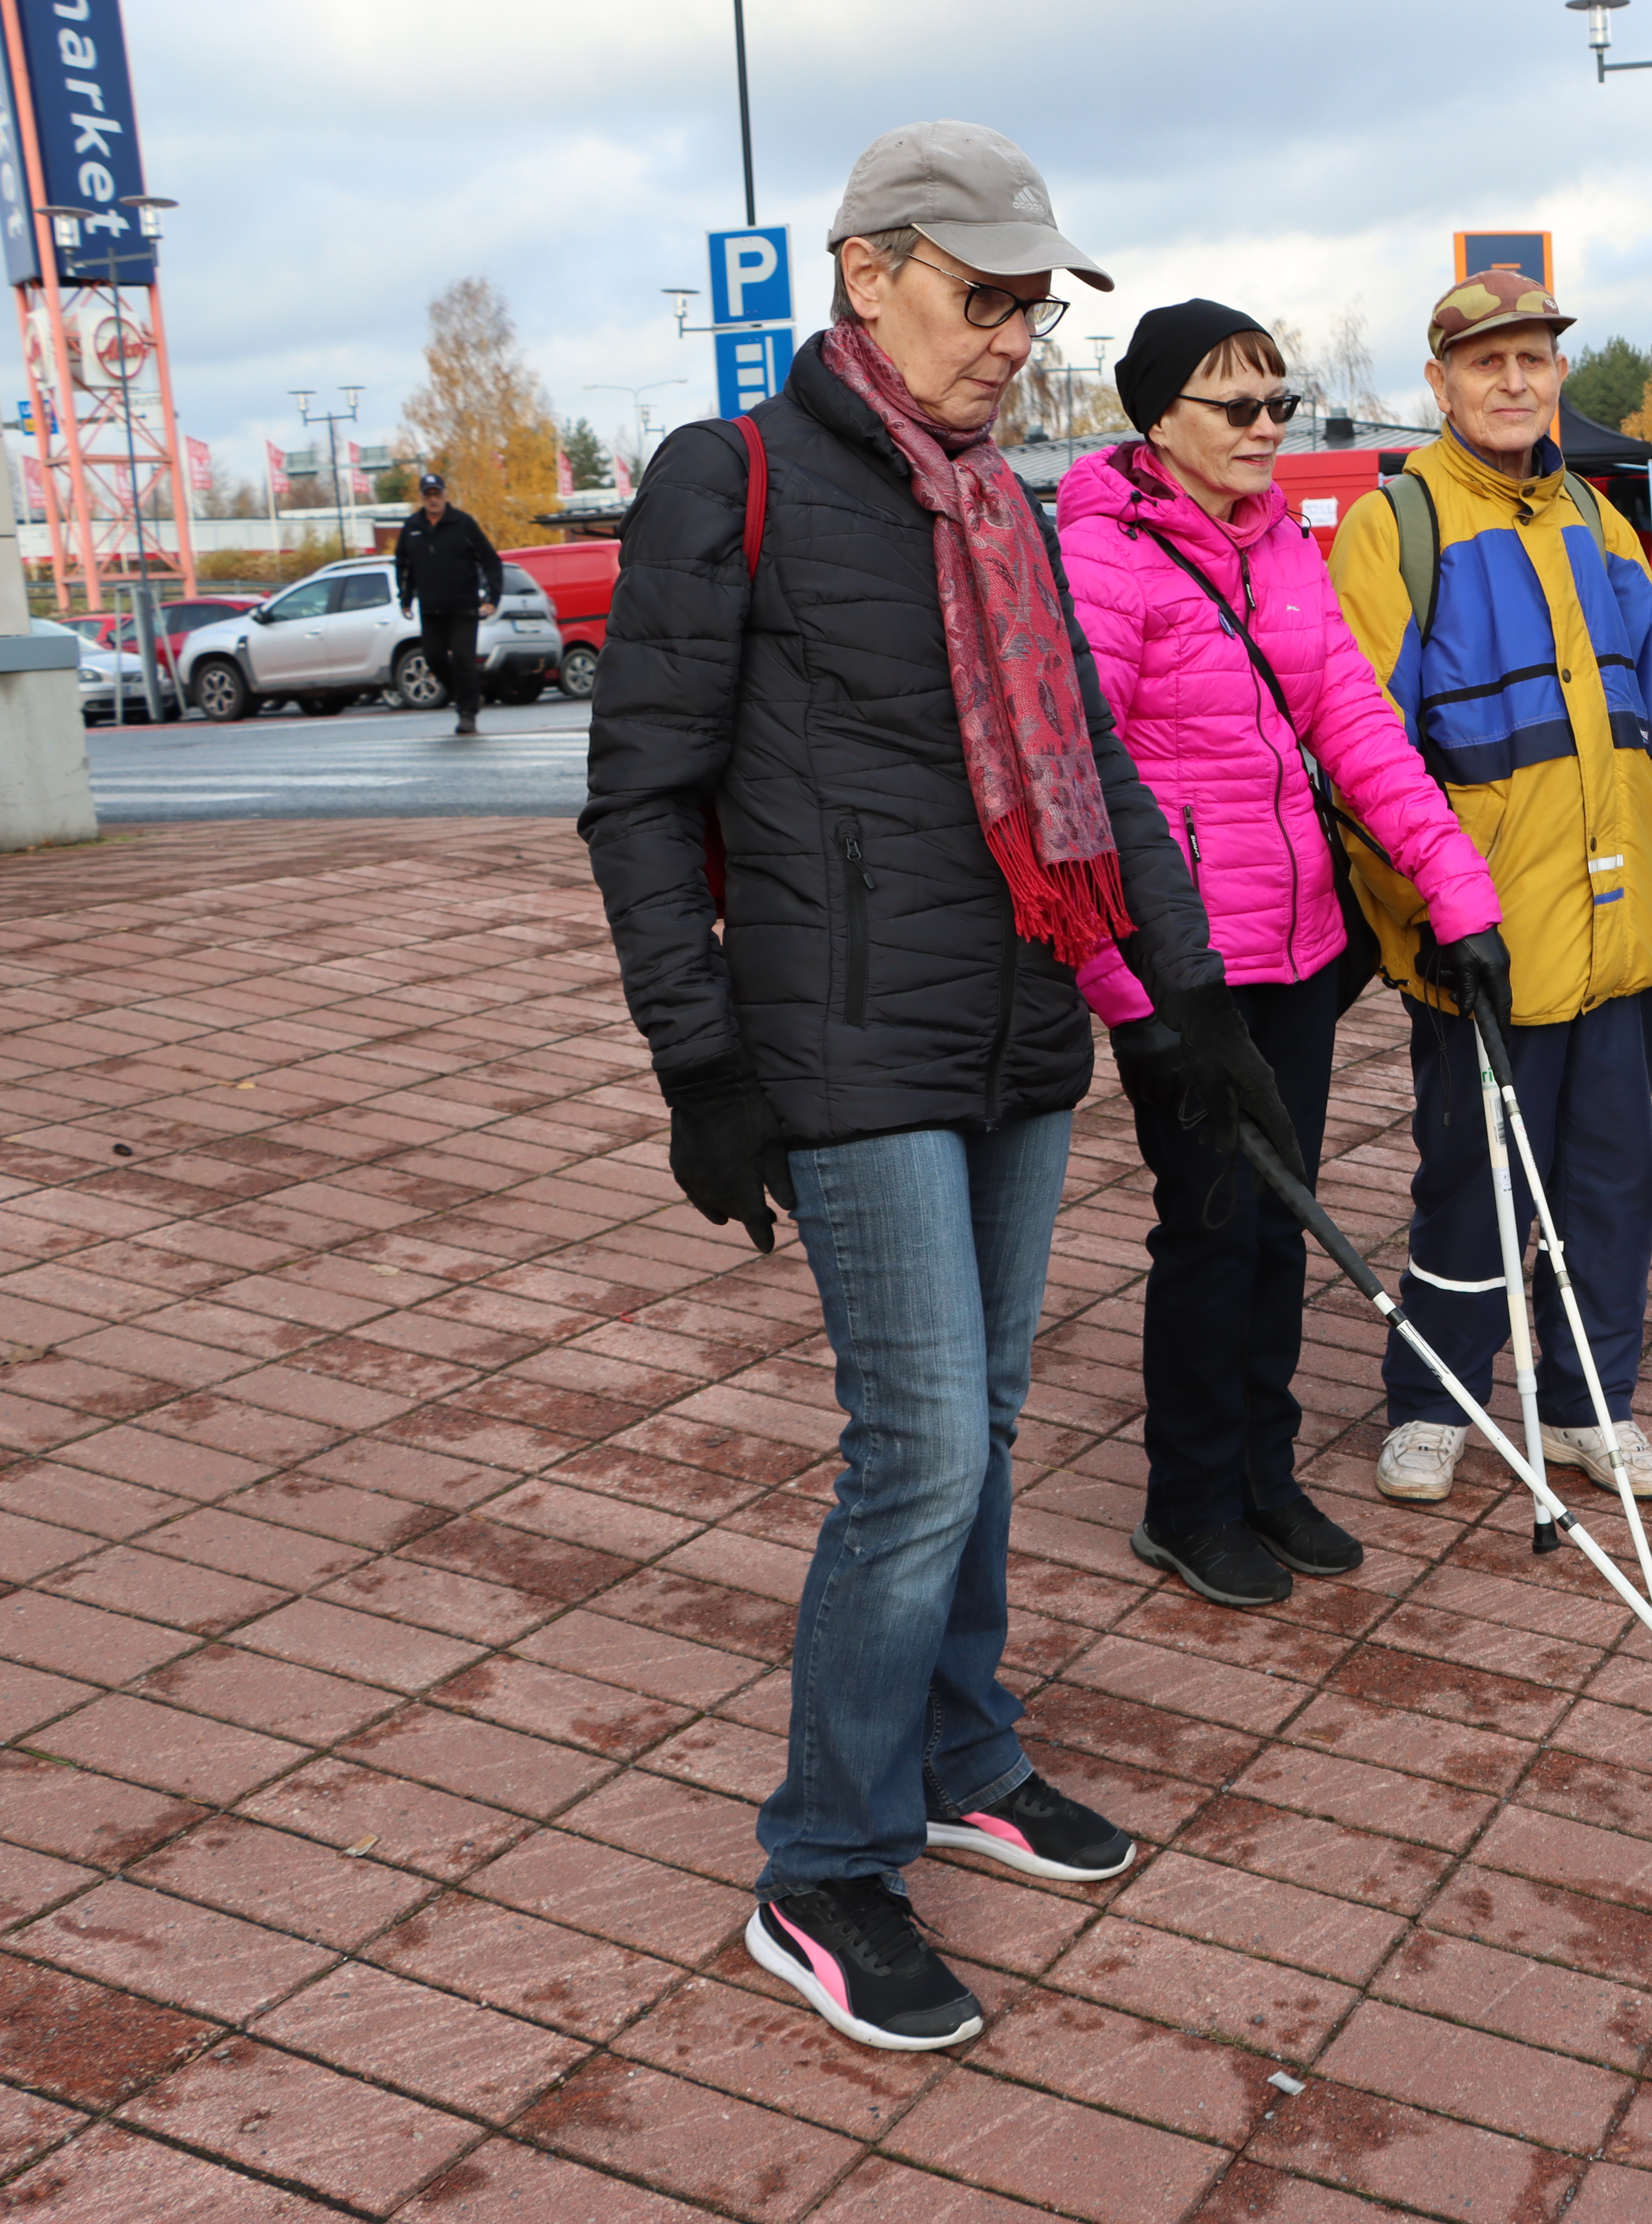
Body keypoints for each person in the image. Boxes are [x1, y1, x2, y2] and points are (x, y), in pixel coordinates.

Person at [582, 121, 1299, 2055]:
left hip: (1019, 1034)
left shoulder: (1004, 504)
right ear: (866, 274)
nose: (1014, 338)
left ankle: (966, 1748)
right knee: (919, 1448)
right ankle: (822, 1861)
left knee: (980, 1416)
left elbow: (1105, 779)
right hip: (843, 1045)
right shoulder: (722, 483)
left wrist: (1191, 1009)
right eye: (982, 298)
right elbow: (642, 795)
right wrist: (701, 1063)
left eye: (1033, 304)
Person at [1052, 300, 1508, 1609]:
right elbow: (1076, 800)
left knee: (1283, 1225)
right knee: (1210, 1230)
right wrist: (1132, 1001)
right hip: (1188, 978)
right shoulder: (1106, 562)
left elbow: (1360, 730)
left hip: (1302, 950)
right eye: (1234, 406)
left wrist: (1458, 898)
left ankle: (1264, 1467)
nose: (1264, 430)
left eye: (1277, 405)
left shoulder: (1284, 552)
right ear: (1158, 420)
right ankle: (1187, 1501)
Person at [1327, 271, 1652, 1506]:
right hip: (1484, 935)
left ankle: (1595, 1403)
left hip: (1615, 935)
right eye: (1488, 363)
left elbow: (1646, 727)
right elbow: (1361, 748)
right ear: (1439, 384)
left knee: (1609, 1181)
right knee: (1468, 1181)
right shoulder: (1399, 525)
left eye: (1533, 359)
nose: (1515, 381)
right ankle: (1436, 1397)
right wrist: (1427, 917)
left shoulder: (1603, 520)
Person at [392, 471, 502, 734]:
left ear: (445, 495)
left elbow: (491, 561)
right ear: (422, 498)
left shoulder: (463, 524)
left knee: (464, 659)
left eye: (437, 494)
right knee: (434, 658)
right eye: (428, 495)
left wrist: (492, 599)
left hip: (463, 608)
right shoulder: (412, 527)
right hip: (431, 609)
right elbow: (403, 564)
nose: (433, 500)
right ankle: (467, 695)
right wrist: (405, 598)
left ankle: (467, 713)